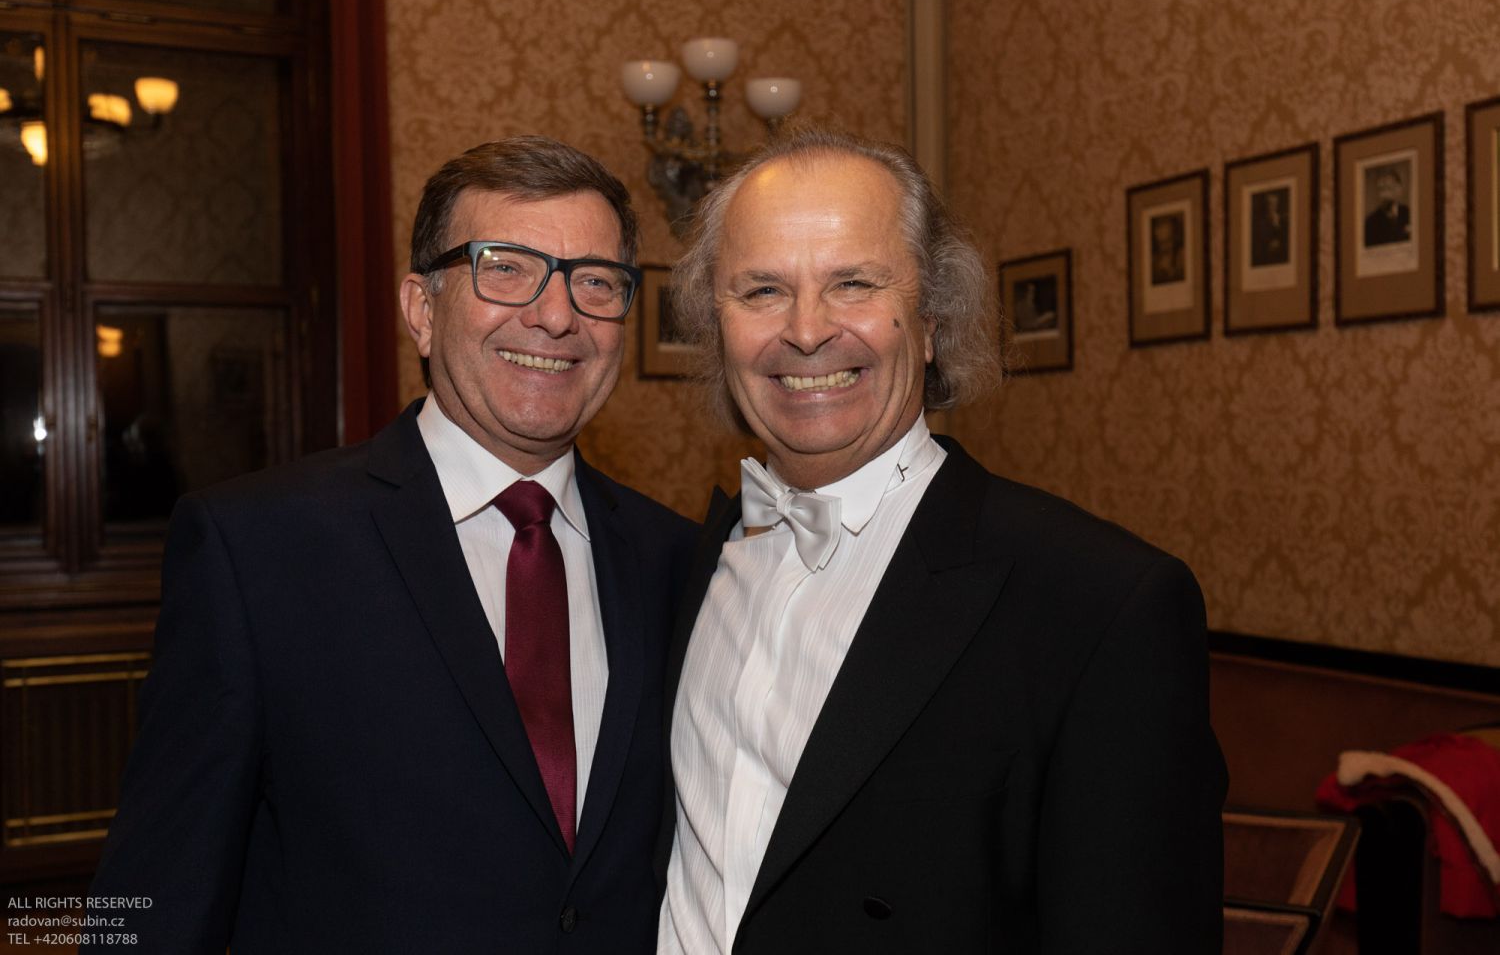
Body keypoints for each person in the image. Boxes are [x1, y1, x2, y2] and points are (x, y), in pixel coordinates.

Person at [86, 137, 695, 954]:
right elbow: (155, 896)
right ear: (422, 309)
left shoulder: (675, 560)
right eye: (505, 268)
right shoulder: (259, 549)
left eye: (595, 281)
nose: (556, 315)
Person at [656, 128, 1226, 954]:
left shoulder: (1099, 605)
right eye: (762, 290)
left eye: (854, 283)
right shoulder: (687, 561)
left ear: (930, 322)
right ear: (717, 326)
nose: (807, 330)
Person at [1363, 164, 1411, 246]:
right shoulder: (1370, 222)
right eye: (1381, 189)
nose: (1384, 195)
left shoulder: (1409, 214)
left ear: (1399, 189)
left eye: (1389, 188)